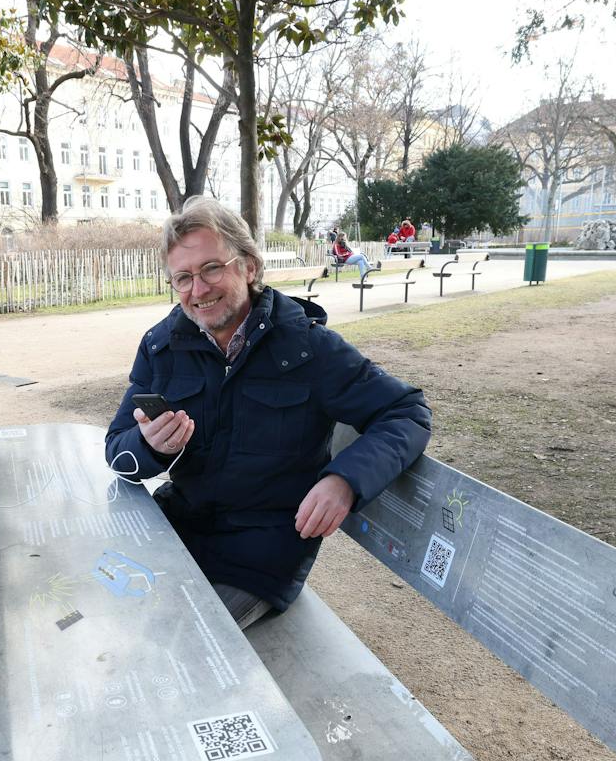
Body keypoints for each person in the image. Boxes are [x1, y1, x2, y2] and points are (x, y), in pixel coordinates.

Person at [106, 197, 432, 630]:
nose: (197, 290)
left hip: (258, 556)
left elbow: (406, 411)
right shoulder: (162, 345)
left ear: (250, 267)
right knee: (96, 609)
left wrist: (344, 480)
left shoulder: (307, 348)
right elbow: (118, 452)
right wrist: (147, 447)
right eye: (182, 277)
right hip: (177, 531)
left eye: (211, 269)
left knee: (185, 640)